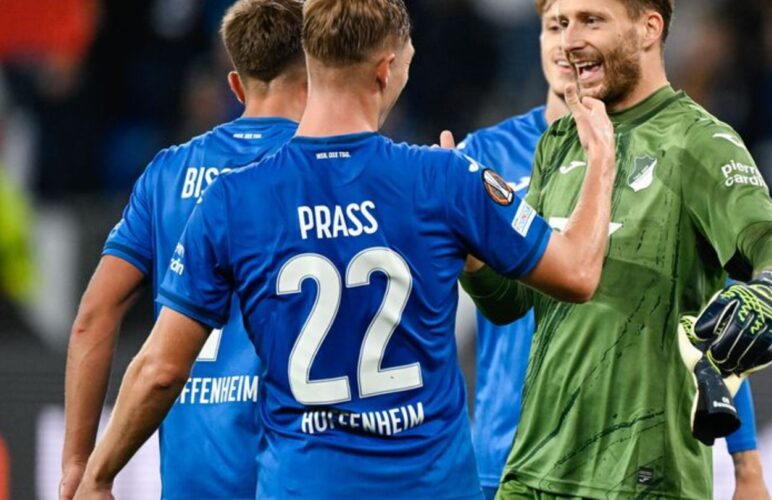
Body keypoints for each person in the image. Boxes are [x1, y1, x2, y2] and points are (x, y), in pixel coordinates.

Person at [71, 0, 622, 497]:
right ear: (386, 68)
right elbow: (576, 272)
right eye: (407, 57)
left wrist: (97, 473)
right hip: (429, 487)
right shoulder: (444, 177)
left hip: (306, 484)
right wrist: (600, 159)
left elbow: (161, 369)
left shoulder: (232, 199)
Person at [460, 0, 772, 498]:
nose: (569, 41)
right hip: (532, 471)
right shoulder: (558, 142)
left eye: (591, 21)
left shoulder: (699, 141)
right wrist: (472, 249)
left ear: (649, 28)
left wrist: (770, 290)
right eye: (560, 24)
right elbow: (512, 302)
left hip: (640, 477)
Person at [60, 1, 308, 498]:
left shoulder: (169, 174)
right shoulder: (330, 169)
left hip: (194, 474)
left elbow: (95, 313)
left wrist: (78, 464)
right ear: (315, 69)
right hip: (295, 469)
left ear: (236, 85)